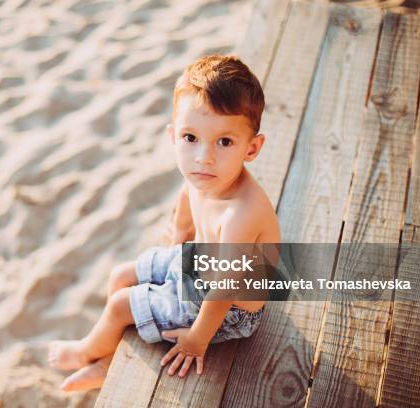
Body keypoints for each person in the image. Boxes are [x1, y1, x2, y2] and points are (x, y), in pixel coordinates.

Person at [48, 54, 281, 392]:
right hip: (198, 264)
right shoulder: (209, 175)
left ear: (252, 147)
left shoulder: (241, 214)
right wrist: (180, 233)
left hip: (228, 309)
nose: (204, 156)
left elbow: (224, 289)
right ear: (174, 136)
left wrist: (198, 339)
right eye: (191, 138)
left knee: (120, 304)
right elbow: (187, 198)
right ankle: (111, 351)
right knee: (120, 276)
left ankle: (92, 354)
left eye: (225, 141)